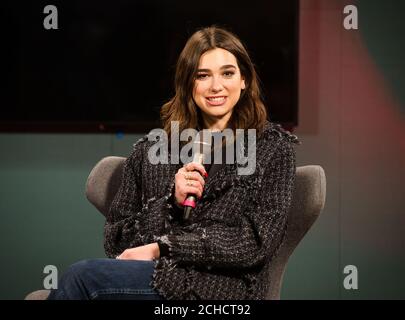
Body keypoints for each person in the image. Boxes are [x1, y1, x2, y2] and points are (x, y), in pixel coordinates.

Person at [47, 25, 300, 300]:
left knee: (81, 277)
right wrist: (172, 202)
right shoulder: (150, 151)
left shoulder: (273, 148)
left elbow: (255, 242)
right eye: (203, 76)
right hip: (155, 278)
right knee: (79, 280)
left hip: (223, 289)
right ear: (187, 82)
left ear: (244, 80)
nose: (216, 86)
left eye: (228, 73)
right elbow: (117, 241)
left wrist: (164, 247)